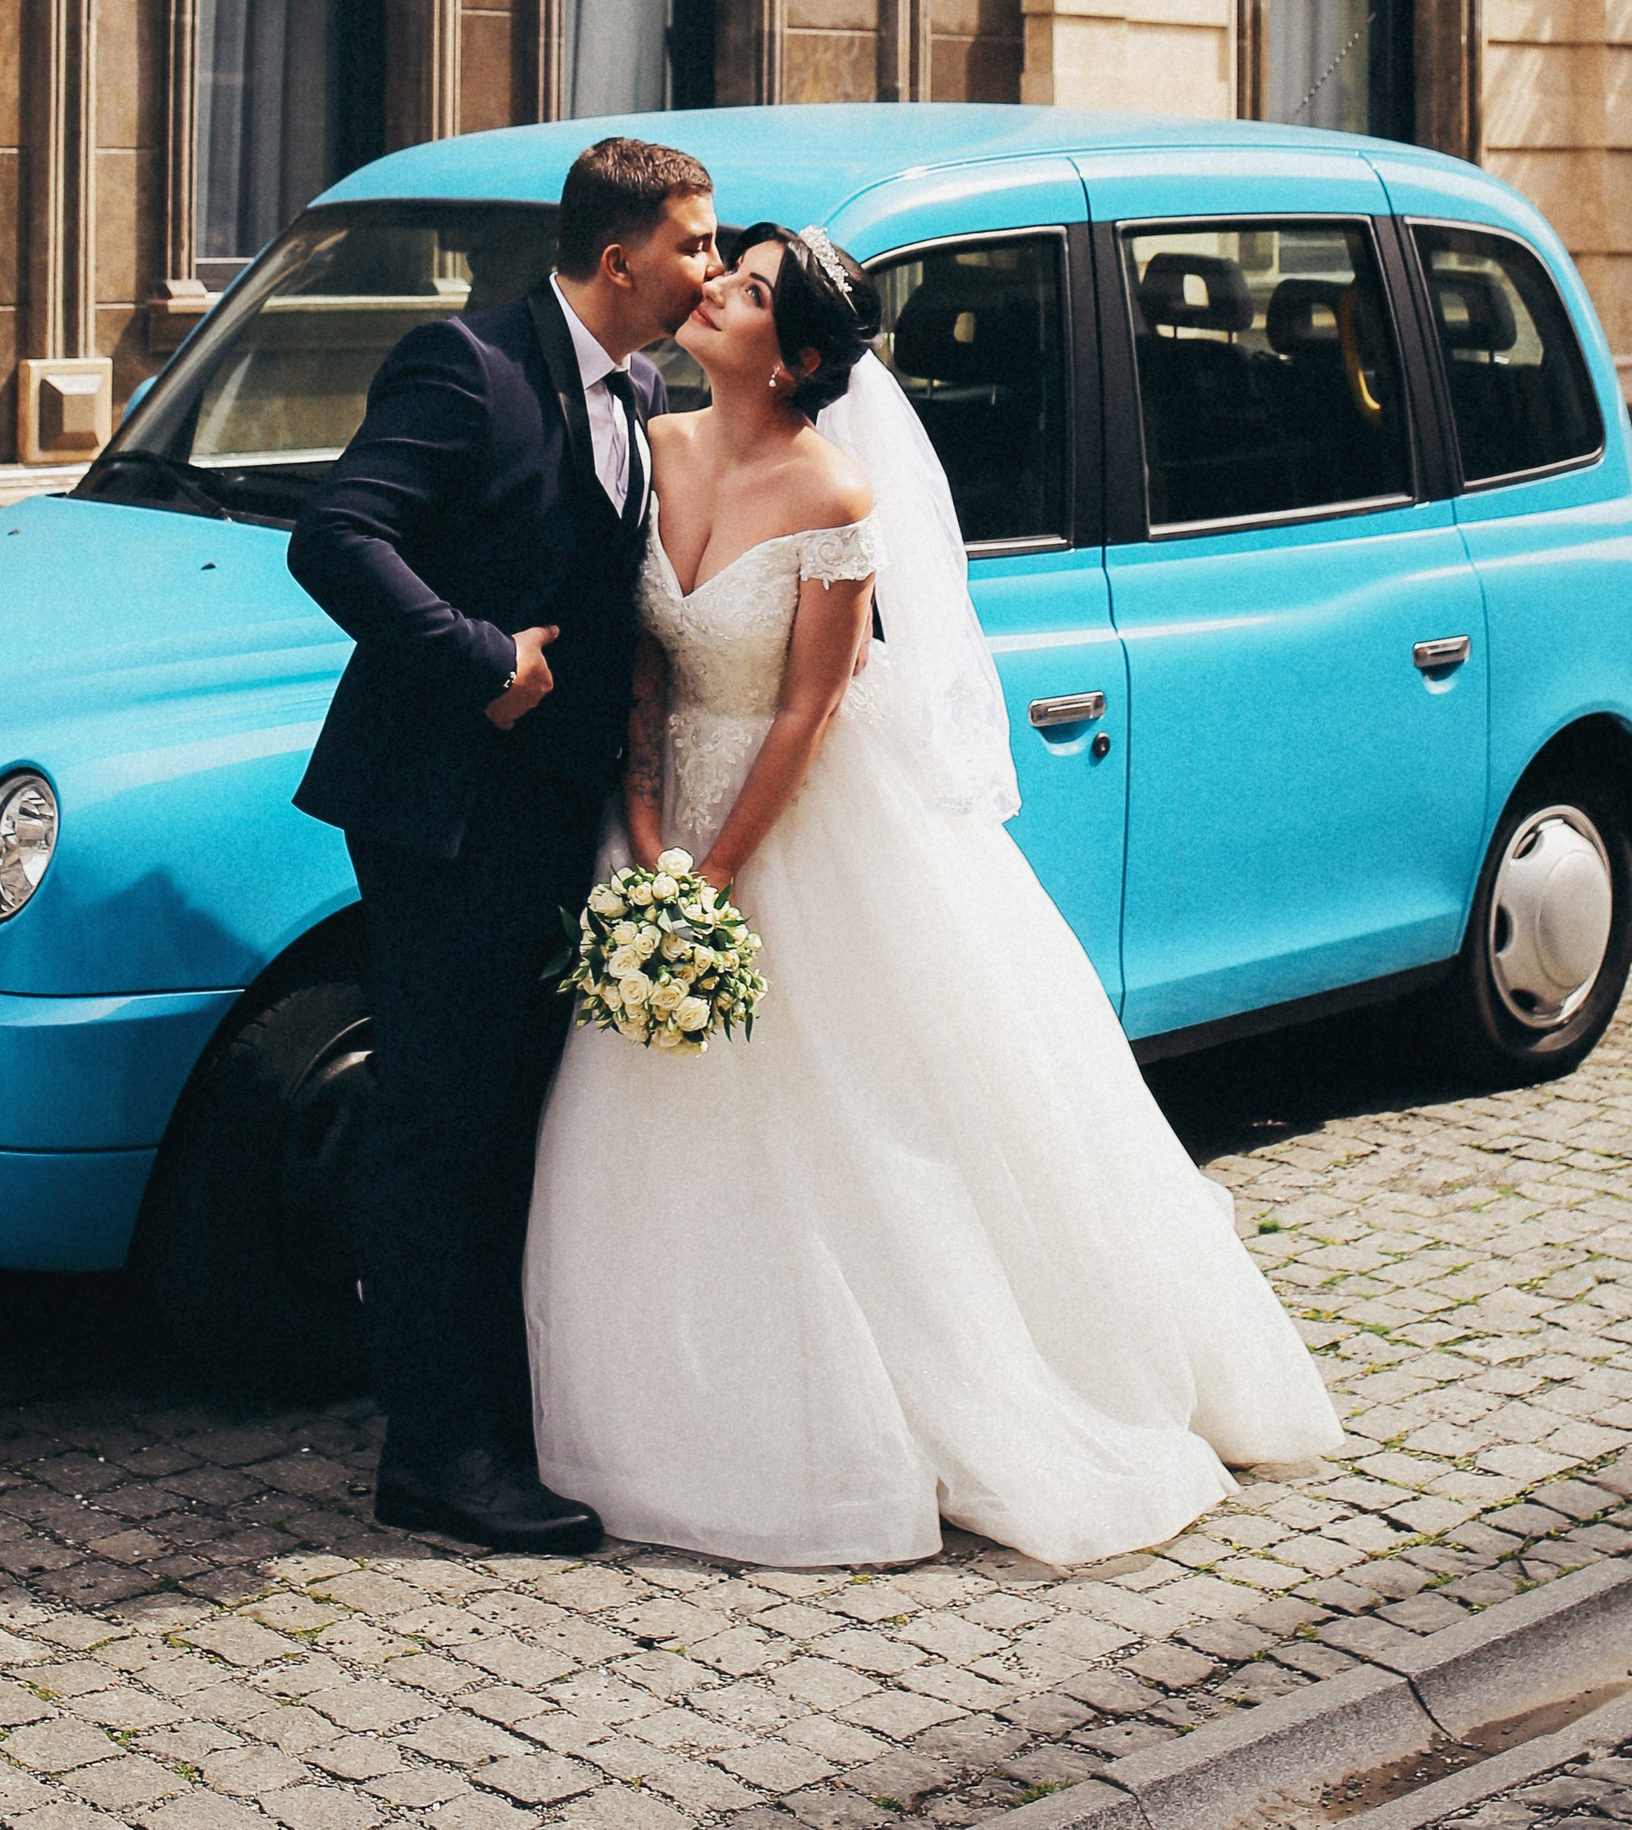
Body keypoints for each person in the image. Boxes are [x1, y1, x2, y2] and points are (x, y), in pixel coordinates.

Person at [525, 223, 1346, 1570]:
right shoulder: (656, 449)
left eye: (743, 289)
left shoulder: (835, 498)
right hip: (663, 815)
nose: (711, 286)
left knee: (852, 1118)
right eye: (719, 272)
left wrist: (716, 872)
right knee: (650, 1120)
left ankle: (913, 1404)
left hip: (796, 826)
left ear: (792, 360)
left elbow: (809, 706)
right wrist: (649, 829)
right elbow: (647, 671)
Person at [288, 135, 721, 1556]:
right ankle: (434, 1456)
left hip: (552, 824)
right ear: (620, 258)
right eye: (694, 245)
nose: (707, 269)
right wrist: (474, 653)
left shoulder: (644, 388)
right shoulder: (464, 366)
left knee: (503, 1127)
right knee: (436, 1130)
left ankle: (489, 1404)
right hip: (445, 813)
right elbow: (338, 534)